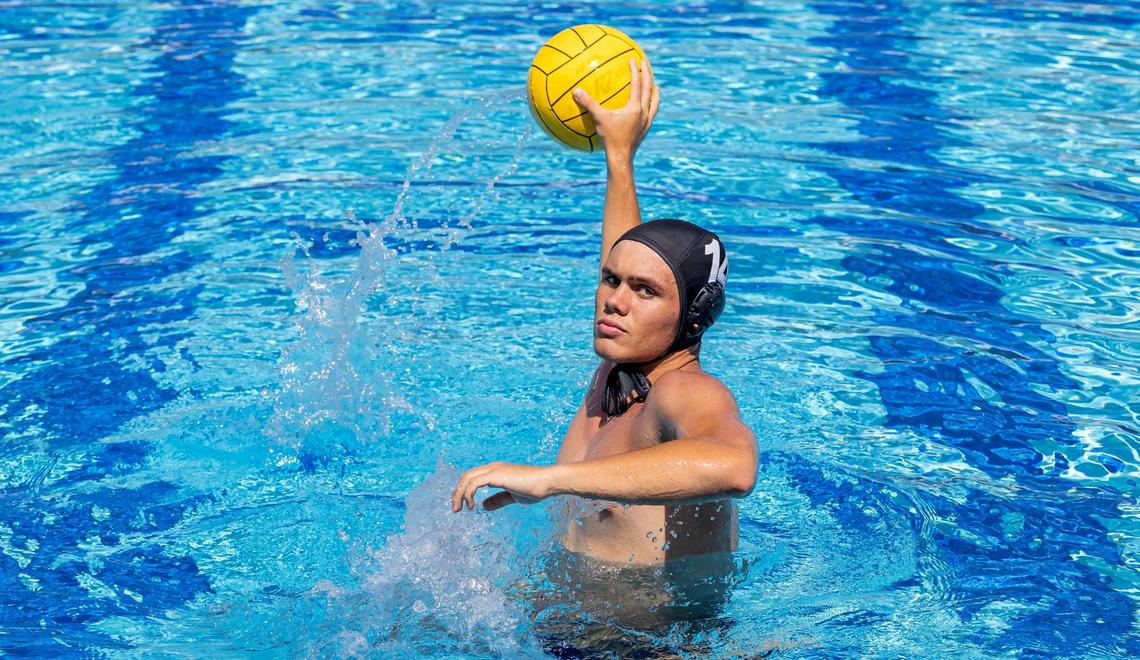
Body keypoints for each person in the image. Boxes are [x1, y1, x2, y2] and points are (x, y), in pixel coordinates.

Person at [451, 57, 757, 567]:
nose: (615, 299)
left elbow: (735, 466)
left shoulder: (684, 392)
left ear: (692, 319)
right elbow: (630, 255)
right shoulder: (618, 375)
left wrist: (549, 479)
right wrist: (619, 155)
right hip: (567, 623)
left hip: (651, 645)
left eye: (644, 291)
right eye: (611, 280)